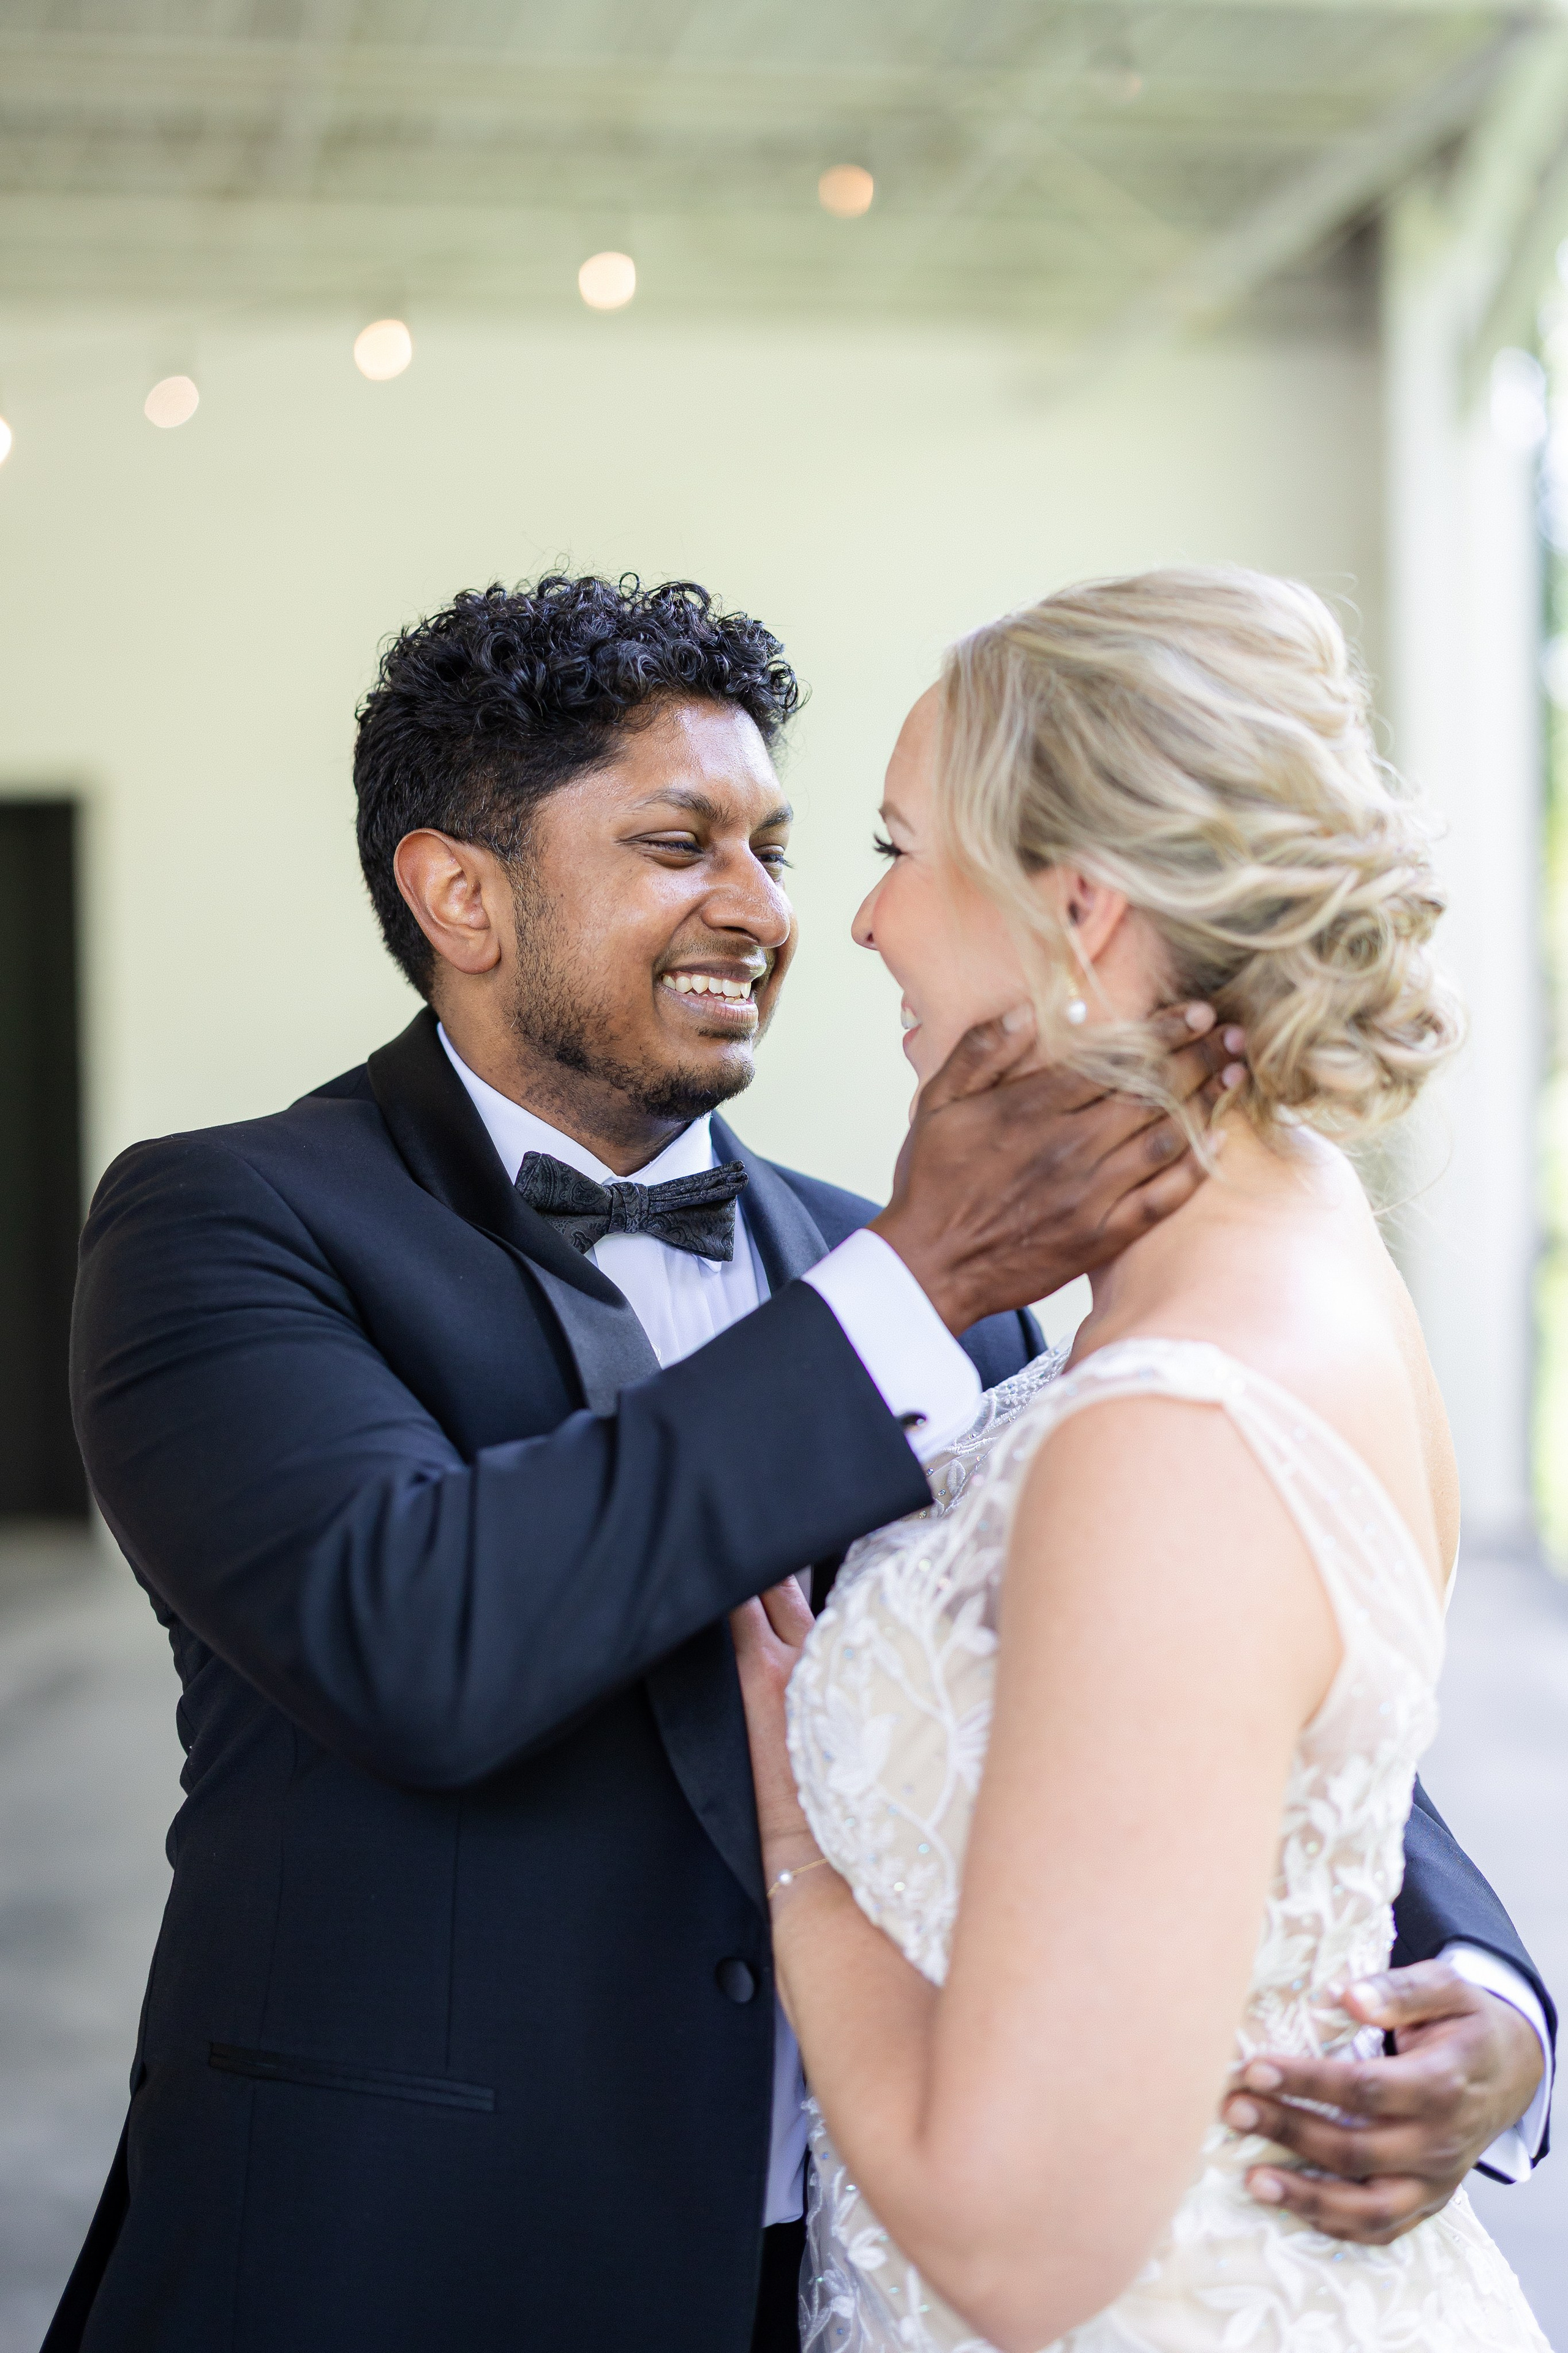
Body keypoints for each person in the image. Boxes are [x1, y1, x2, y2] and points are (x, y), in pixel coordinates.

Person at [49, 577, 1546, 2353]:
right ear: (461, 892)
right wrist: (903, 1292)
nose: (766, 910)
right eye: (682, 843)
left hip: (839, 2277)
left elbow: (1206, 1626)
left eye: (781, 841)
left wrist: (1487, 1984)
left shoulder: (917, 1273)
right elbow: (413, 1637)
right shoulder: (225, 1224)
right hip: (414, 2272)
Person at [731, 566, 1555, 2353]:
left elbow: (1021, 2249)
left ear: (1080, 913)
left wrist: (791, 1838)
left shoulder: (1171, 1425)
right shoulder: (1294, 1236)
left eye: (896, 846)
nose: (860, 922)